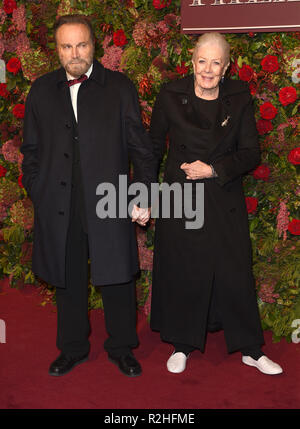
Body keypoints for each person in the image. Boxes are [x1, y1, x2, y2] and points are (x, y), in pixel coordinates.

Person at [21, 14, 154, 377]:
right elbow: (30, 150)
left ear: (95, 45)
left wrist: (142, 196)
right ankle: (73, 348)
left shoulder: (119, 87)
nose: (75, 53)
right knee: (68, 278)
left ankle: (122, 347)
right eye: (67, 46)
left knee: (117, 277)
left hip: (109, 199)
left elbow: (140, 149)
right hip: (59, 203)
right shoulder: (41, 89)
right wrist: (39, 189)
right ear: (57, 50)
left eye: (82, 45)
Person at [149, 32, 283, 376]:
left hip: (223, 194)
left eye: (216, 63)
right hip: (179, 196)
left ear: (226, 67)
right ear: (192, 62)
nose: (208, 70)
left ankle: (251, 349)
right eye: (202, 61)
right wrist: (146, 195)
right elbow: (152, 149)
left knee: (235, 270)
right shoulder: (170, 95)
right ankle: (182, 343)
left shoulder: (239, 98)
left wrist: (213, 170)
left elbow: (251, 152)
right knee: (184, 268)